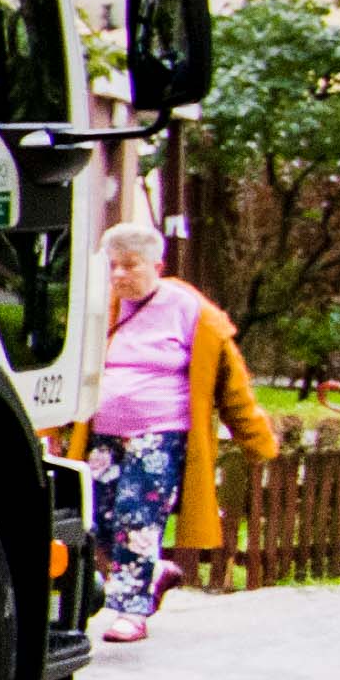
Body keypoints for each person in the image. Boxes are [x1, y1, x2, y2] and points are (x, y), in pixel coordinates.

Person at [83, 216, 273, 641]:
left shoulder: (190, 310)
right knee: (98, 518)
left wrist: (255, 438)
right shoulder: (100, 305)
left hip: (160, 432)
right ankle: (155, 574)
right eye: (112, 265)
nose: (118, 275)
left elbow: (231, 382)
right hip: (104, 433)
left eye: (129, 265)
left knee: (138, 518)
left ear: (156, 264)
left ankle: (132, 612)